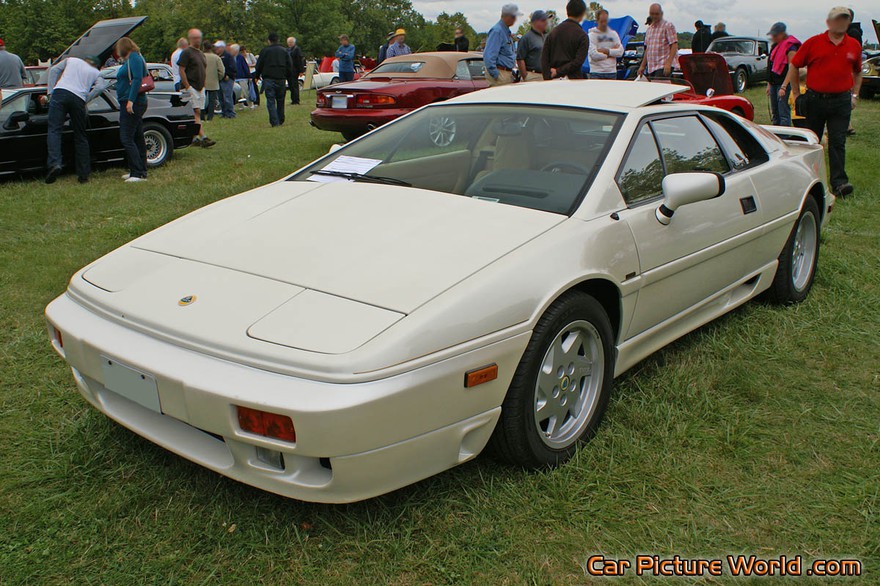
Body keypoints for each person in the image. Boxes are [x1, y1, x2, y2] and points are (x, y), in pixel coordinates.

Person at [784, 6, 862, 198]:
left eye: (845, 19)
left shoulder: (854, 45)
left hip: (841, 101)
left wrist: (855, 95)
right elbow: (794, 66)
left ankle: (839, 183)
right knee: (811, 141)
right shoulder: (813, 43)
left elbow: (858, 71)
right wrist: (795, 93)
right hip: (815, 100)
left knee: (837, 142)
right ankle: (808, 180)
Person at [45, 55, 107, 184]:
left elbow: (54, 70)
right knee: (80, 136)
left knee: (54, 130)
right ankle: (83, 175)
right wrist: (86, 98)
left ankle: (54, 163)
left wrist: (50, 92)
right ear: (97, 65)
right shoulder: (96, 73)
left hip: (60, 93)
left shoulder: (71, 60)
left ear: (85, 60)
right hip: (79, 98)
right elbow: (101, 87)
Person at [114, 37, 149, 182]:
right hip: (133, 101)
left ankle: (136, 172)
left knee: (126, 137)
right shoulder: (134, 58)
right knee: (137, 136)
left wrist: (130, 101)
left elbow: (137, 80)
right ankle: (140, 170)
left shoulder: (134, 58)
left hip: (132, 102)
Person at [254, 32, 293, 127]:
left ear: (269, 41)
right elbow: (289, 65)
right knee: (280, 99)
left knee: (270, 100)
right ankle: (281, 118)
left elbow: (259, 65)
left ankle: (274, 121)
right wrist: (287, 75)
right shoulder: (284, 51)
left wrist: (257, 76)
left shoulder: (265, 51)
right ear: (278, 40)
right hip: (281, 78)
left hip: (269, 78)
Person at [541, 0, 589, 80]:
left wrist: (547, 77)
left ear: (567, 12)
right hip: (573, 80)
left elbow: (544, 58)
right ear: (582, 14)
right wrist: (558, 71)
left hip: (553, 80)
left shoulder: (553, 33)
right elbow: (578, 62)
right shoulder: (582, 35)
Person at [766, 22, 800, 127]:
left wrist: (784, 86)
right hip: (774, 82)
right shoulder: (775, 46)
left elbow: (792, 68)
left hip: (784, 83)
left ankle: (784, 135)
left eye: (775, 35)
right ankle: (776, 132)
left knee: (783, 112)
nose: (773, 37)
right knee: (775, 111)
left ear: (782, 33)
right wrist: (769, 84)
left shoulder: (791, 47)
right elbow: (771, 66)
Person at [637, 4, 678, 78]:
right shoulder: (649, 29)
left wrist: (668, 63)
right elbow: (648, 49)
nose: (654, 16)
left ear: (661, 14)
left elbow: (674, 45)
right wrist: (642, 66)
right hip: (652, 67)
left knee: (660, 86)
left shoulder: (668, 26)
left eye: (656, 14)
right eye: (652, 14)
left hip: (663, 64)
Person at [485, 4, 521, 86]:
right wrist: (496, 75)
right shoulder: (497, 31)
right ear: (506, 16)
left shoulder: (506, 32)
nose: (515, 19)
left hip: (506, 73)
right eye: (513, 17)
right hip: (500, 73)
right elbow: (489, 55)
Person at [588, 9, 624, 79]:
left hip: (611, 72)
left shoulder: (613, 34)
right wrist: (612, 53)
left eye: (605, 21)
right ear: (597, 20)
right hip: (596, 73)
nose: (604, 24)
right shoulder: (591, 35)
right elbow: (594, 55)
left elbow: (620, 52)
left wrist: (605, 51)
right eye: (602, 21)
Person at [517, 11, 548, 82]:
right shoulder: (526, 38)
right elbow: (520, 59)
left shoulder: (547, 37)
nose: (546, 23)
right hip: (533, 75)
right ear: (535, 22)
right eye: (543, 20)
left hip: (546, 75)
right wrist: (525, 76)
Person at [202, 42, 224, 122]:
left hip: (201, 82)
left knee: (202, 100)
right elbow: (221, 70)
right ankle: (210, 117)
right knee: (212, 101)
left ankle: (201, 117)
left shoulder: (201, 56)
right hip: (213, 82)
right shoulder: (216, 58)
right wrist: (219, 78)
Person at [215, 41, 236, 118]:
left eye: (218, 47)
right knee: (220, 97)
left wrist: (228, 75)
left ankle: (231, 113)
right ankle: (224, 112)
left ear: (222, 47)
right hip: (219, 79)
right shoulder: (216, 56)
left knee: (227, 97)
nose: (216, 49)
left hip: (227, 79)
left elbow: (232, 67)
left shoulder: (227, 56)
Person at [231, 44, 253, 109]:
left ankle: (250, 104)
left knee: (246, 92)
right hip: (234, 78)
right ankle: (241, 106)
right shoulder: (230, 57)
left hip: (242, 77)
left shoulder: (240, 57)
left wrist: (249, 75)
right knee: (238, 94)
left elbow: (245, 67)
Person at [286, 37, 304, 105]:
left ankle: (296, 100)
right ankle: (293, 99)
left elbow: (300, 60)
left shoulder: (297, 49)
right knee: (290, 85)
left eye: (291, 42)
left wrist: (301, 70)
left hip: (295, 70)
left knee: (294, 85)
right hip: (288, 70)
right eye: (289, 42)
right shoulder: (287, 50)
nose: (290, 44)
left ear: (294, 43)